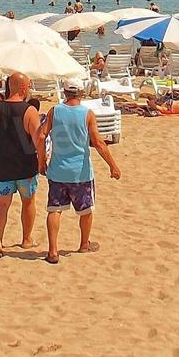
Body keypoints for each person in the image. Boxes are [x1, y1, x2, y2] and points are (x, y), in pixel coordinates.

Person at [40, 80, 121, 265]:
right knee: (85, 210)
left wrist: (41, 161)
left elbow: (41, 135)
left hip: (57, 170)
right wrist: (113, 166)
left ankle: (53, 251)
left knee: (54, 210)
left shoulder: (55, 111)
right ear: (82, 94)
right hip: (80, 172)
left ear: (65, 92)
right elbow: (99, 143)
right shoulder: (87, 114)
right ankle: (84, 244)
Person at [0, 73, 45, 258]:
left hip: (2, 163)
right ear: (22, 88)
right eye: (28, 86)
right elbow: (38, 139)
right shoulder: (29, 111)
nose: (29, 89)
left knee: (1, 205)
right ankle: (26, 239)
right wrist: (42, 160)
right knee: (28, 202)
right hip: (24, 164)